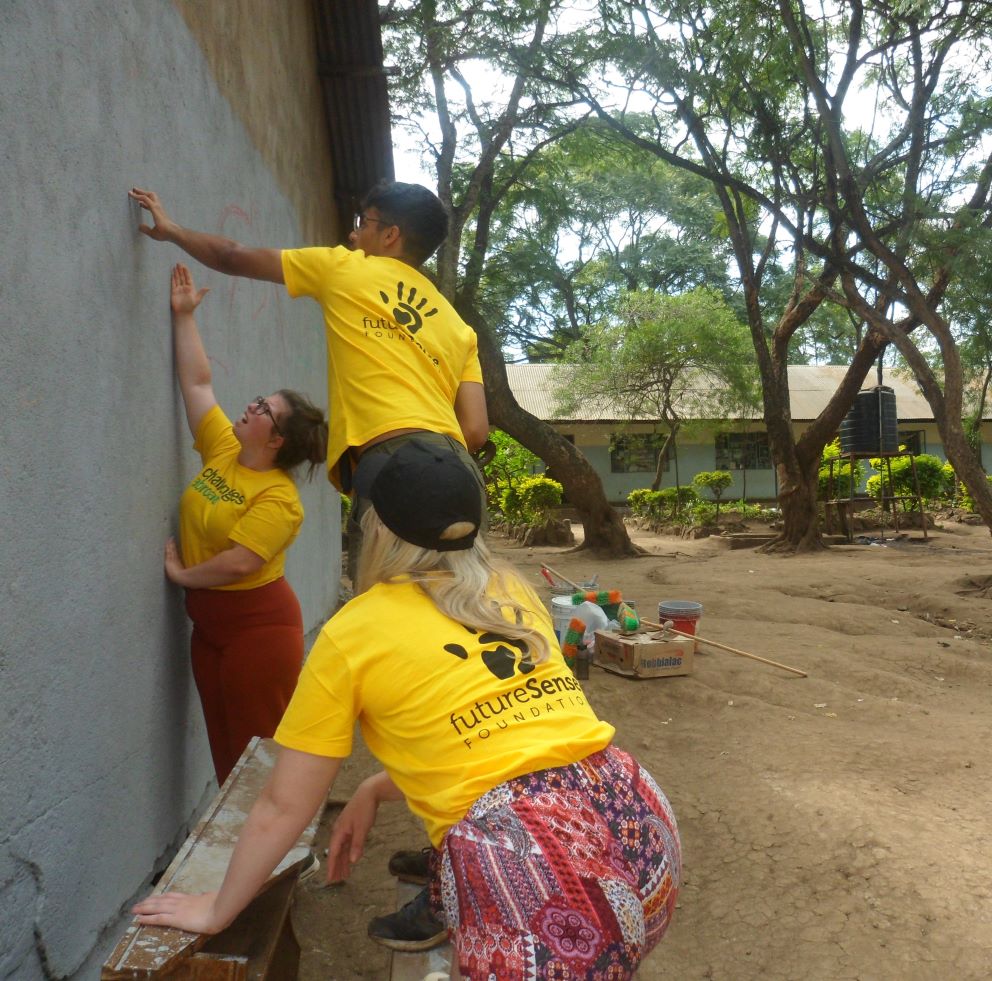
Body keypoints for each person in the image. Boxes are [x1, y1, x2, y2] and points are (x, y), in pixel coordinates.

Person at [132, 440, 681, 980]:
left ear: (377, 527)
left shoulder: (355, 630)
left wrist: (218, 909)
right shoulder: (507, 585)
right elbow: (504, 738)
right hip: (635, 816)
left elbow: (282, 806)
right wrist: (374, 787)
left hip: (539, 861)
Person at [128, 183, 489, 583]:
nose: (353, 235)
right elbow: (474, 429)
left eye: (363, 222)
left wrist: (173, 230)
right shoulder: (459, 327)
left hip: (393, 463)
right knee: (460, 602)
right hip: (459, 472)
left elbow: (233, 255)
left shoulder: (343, 267)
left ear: (390, 235)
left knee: (383, 612)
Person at [164, 262, 328, 785]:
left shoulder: (279, 499)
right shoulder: (226, 448)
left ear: (276, 441)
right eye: (260, 400)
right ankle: (244, 857)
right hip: (209, 625)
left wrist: (183, 577)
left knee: (258, 759)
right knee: (224, 749)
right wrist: (185, 316)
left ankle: (281, 863)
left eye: (264, 409)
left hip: (258, 629)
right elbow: (197, 381)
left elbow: (242, 561)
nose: (251, 405)